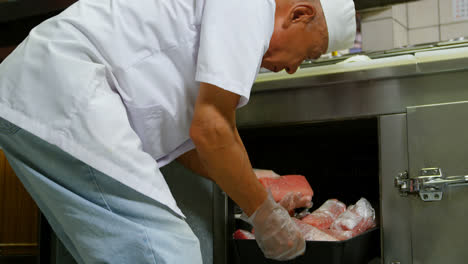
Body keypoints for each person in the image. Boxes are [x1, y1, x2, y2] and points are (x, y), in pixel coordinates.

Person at [0, 0, 356, 262]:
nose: (293, 69)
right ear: (300, 14)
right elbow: (211, 129)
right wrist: (265, 216)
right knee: (169, 252)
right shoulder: (252, 6)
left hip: (37, 92)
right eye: (307, 55)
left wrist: (253, 180)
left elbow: (196, 141)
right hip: (66, 85)